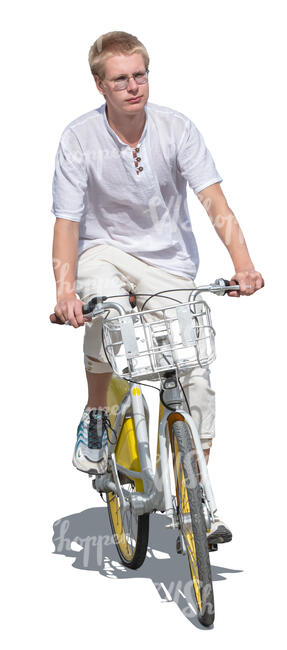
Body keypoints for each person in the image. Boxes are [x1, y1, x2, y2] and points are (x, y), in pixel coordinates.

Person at [50, 31, 264, 544]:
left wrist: (245, 265)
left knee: (196, 377)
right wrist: (65, 291)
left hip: (168, 263)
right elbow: (67, 221)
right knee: (108, 312)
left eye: (139, 75)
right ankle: (99, 415)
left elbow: (215, 202)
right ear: (100, 84)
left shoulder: (176, 129)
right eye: (120, 79)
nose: (133, 87)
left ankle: (198, 496)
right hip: (104, 250)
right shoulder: (78, 137)